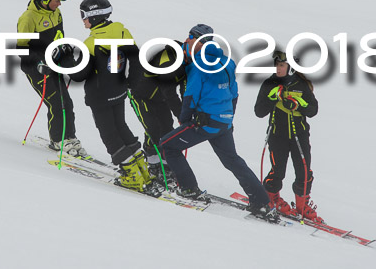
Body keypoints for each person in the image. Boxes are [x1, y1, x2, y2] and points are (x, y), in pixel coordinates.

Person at [160, 24, 275, 219]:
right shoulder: (228, 62)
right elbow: (233, 93)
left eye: (190, 37)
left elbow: (191, 96)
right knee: (233, 160)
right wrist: (229, 117)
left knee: (168, 146)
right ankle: (262, 202)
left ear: (200, 41)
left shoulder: (199, 65)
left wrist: (184, 119)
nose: (187, 39)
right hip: (224, 122)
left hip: (205, 122)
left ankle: (188, 189)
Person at [68, 0, 153, 193]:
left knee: (109, 134)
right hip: (119, 91)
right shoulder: (121, 30)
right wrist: (131, 82)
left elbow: (79, 75)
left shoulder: (90, 43)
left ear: (94, 17)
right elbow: (136, 59)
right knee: (121, 126)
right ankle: (142, 169)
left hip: (99, 96)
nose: (82, 20)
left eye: (84, 15)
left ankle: (132, 175)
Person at [16, 0, 87, 157]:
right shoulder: (28, 17)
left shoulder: (56, 12)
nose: (59, 3)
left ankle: (70, 137)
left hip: (53, 63)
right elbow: (21, 48)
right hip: (35, 67)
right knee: (56, 102)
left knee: (67, 102)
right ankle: (58, 140)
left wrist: (68, 58)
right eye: (56, 0)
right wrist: (38, 63)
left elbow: (60, 38)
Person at [254, 50, 321, 222]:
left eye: (282, 65)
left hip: (300, 135)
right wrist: (273, 96)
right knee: (278, 171)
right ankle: (271, 196)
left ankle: (302, 204)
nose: (278, 68)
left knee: (304, 171)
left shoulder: (302, 84)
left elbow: (313, 110)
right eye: (276, 65)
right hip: (277, 135)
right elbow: (259, 111)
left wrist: (297, 104)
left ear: (290, 68)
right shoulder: (270, 83)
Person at [128, 40, 186, 183]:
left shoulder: (185, 64)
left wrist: (186, 112)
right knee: (152, 128)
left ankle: (166, 165)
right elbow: (170, 93)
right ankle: (152, 163)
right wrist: (181, 115)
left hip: (160, 99)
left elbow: (185, 90)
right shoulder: (167, 62)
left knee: (167, 129)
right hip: (141, 97)